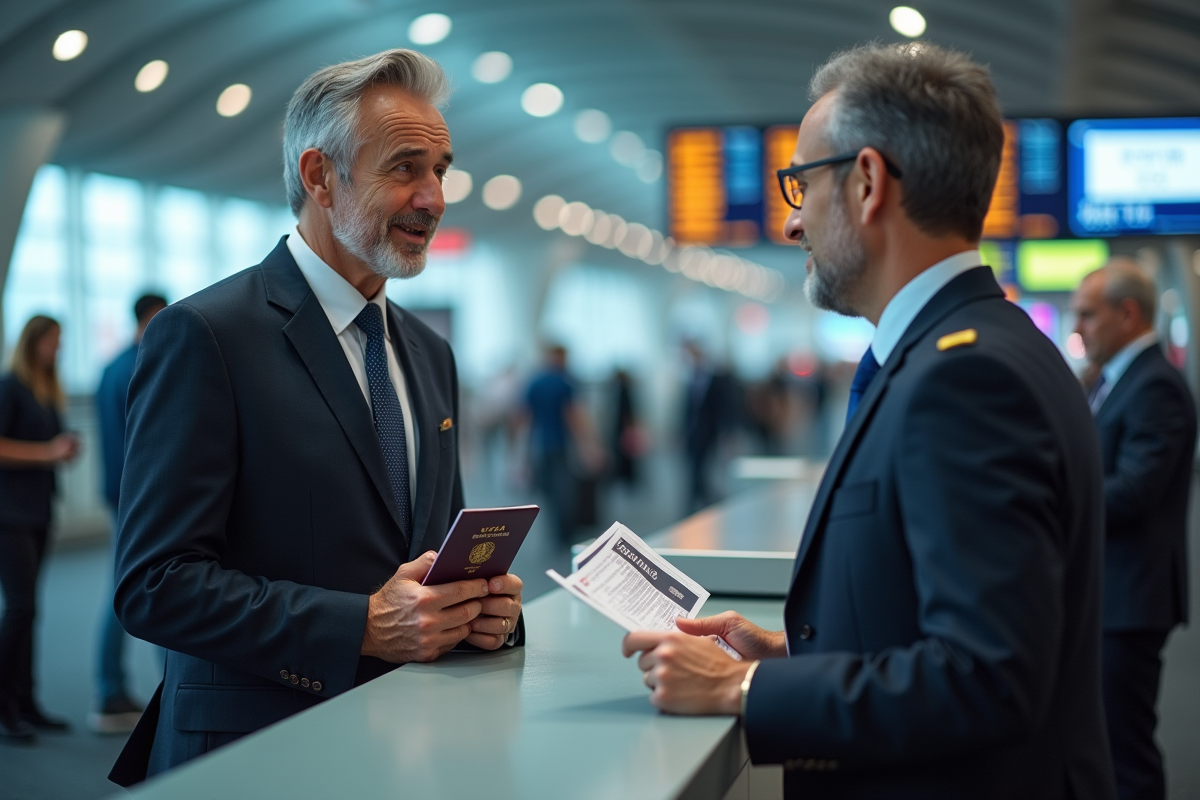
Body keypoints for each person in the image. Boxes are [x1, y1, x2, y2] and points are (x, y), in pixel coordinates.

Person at [623, 42, 1116, 799]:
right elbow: (938, 621)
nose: (793, 223)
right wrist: (791, 655)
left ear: (866, 182)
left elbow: (988, 677)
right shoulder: (975, 348)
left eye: (801, 185)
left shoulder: (965, 378)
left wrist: (742, 692)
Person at [110, 50, 523, 785]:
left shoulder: (429, 354)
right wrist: (360, 624)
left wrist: (479, 613)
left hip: (409, 745)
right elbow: (156, 583)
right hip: (255, 754)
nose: (433, 197)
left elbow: (428, 556)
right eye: (404, 168)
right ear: (319, 177)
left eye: (442, 169)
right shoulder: (207, 336)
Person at [1072, 260, 1196, 800]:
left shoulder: (1156, 386)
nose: (1078, 328)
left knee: (1126, 754)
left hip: (1130, 600)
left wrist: (1048, 499)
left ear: (1127, 314)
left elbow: (1132, 493)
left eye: (1088, 316)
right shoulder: (1116, 381)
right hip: (1113, 594)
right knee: (1107, 745)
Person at [89, 293, 167, 734]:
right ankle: (111, 690)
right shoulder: (143, 362)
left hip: (118, 493)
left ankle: (117, 688)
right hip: (137, 497)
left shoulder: (111, 366)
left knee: (131, 585)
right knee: (145, 587)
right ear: (152, 316)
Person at [0, 315, 80, 742]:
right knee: (19, 608)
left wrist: (61, 449)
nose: (59, 348)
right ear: (33, 342)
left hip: (36, 510)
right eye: (53, 340)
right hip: (9, 515)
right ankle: (5, 705)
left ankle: (25, 702)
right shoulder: (10, 385)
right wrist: (47, 453)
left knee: (30, 608)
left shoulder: (45, 390)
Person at [524, 345, 599, 543]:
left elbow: (523, 416)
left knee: (548, 491)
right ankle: (565, 533)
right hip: (561, 445)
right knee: (564, 490)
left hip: (541, 445)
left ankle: (556, 533)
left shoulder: (535, 382)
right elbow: (572, 415)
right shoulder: (564, 383)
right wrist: (587, 445)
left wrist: (520, 451)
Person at [681, 341, 736, 513]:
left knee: (701, 468)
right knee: (694, 469)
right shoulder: (689, 378)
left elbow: (724, 408)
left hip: (709, 432)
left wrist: (728, 433)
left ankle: (700, 501)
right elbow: (687, 409)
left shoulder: (715, 379)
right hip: (692, 432)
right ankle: (703, 500)